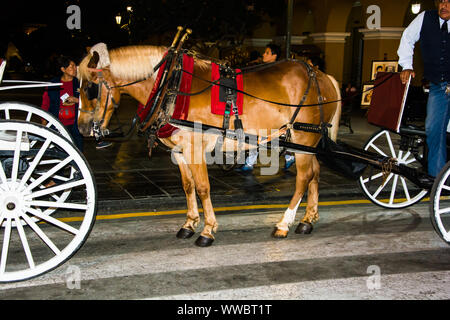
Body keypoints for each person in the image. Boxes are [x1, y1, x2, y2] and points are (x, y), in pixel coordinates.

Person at [397, 0, 450, 177]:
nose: (444, 5)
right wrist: (406, 65)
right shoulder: (425, 18)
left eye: (449, 2)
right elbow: (407, 38)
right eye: (442, 1)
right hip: (438, 86)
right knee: (433, 129)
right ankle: (437, 179)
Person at [236, 43, 297, 172]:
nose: (264, 54)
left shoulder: (276, 71)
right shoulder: (262, 68)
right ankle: (251, 161)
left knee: (274, 135)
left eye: (267, 52)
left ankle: (289, 156)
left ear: (274, 55)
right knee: (256, 133)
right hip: (260, 104)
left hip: (272, 106)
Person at [41, 55, 84, 151]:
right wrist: (44, 121)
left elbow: (88, 101)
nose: (75, 69)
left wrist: (76, 100)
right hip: (57, 124)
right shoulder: (53, 84)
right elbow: (45, 103)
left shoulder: (79, 83)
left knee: (77, 150)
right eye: (71, 66)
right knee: (60, 151)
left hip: (75, 125)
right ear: (63, 69)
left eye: (75, 66)